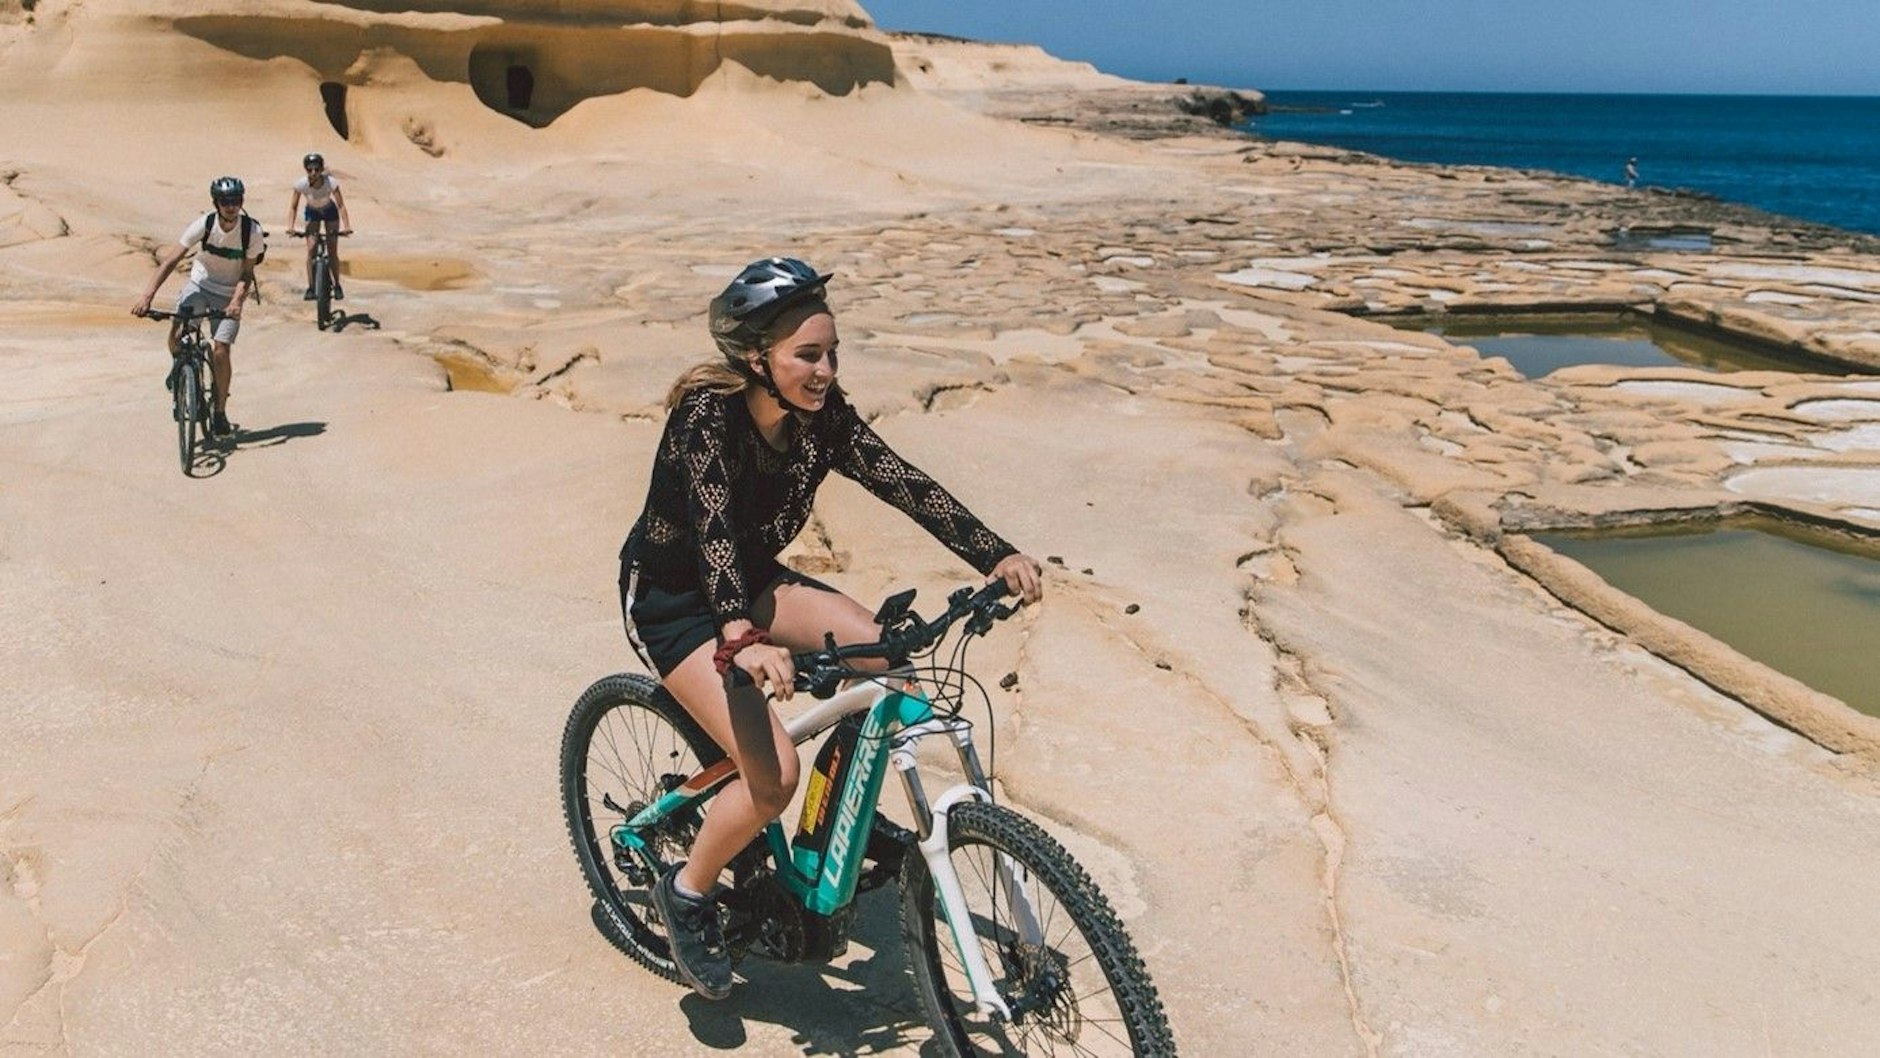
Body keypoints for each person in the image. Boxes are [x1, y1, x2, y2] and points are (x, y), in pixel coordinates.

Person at [617, 256, 1044, 1000]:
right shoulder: (707, 419)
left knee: (885, 660)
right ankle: (687, 893)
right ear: (758, 358)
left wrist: (994, 553)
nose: (825, 371)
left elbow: (903, 482)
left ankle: (840, 812)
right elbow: (712, 530)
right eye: (808, 355)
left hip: (751, 582)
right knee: (773, 777)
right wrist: (740, 638)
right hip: (676, 603)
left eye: (832, 353)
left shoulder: (821, 418)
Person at [131, 176, 265, 439]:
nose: (231, 207)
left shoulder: (252, 232)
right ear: (216, 203)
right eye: (225, 201)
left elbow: (247, 273)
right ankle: (179, 366)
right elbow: (170, 261)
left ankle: (220, 412)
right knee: (177, 330)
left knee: (221, 350)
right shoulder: (204, 225)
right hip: (200, 286)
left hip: (229, 294)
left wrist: (236, 302)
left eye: (236, 201)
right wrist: (147, 297)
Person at [286, 152, 351, 300]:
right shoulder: (301, 184)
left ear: (321, 169)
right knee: (311, 249)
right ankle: (311, 287)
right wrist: (291, 226)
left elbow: (341, 205)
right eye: (310, 169)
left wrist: (347, 226)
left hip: (330, 211)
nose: (313, 172)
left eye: (317, 169)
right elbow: (293, 207)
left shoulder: (330, 182)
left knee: (332, 249)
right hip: (312, 212)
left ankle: (337, 285)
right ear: (306, 169)